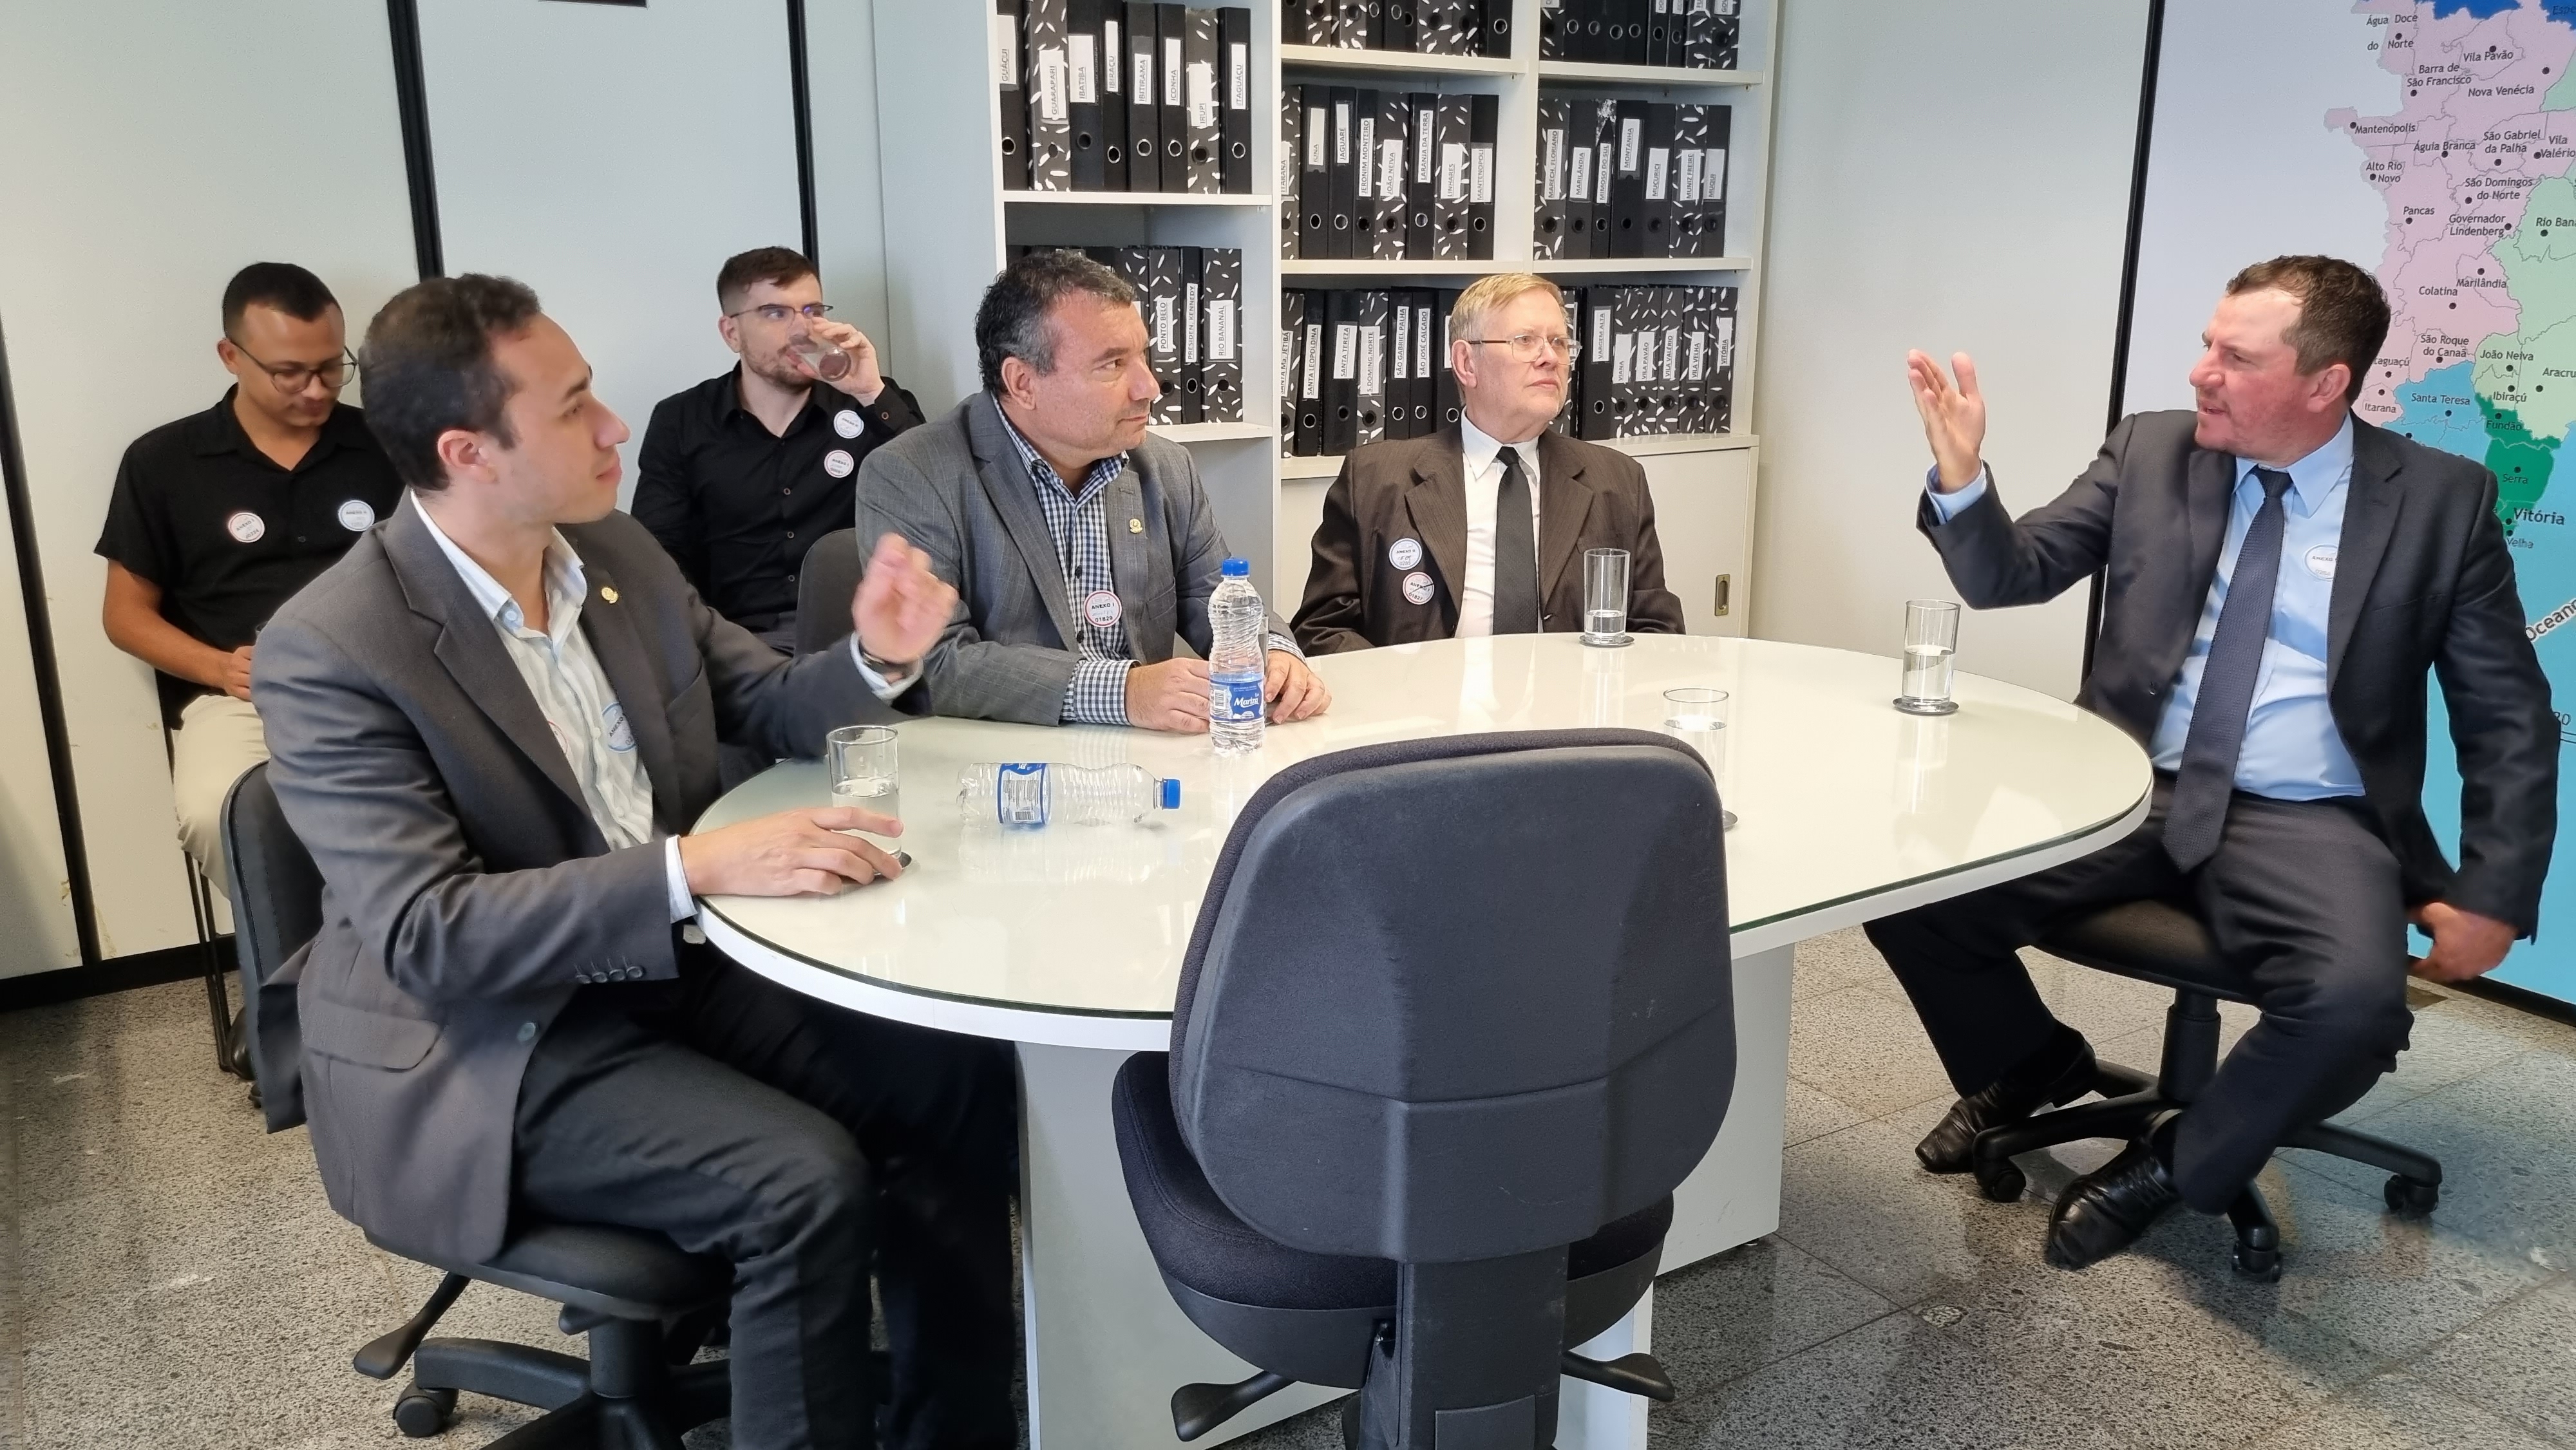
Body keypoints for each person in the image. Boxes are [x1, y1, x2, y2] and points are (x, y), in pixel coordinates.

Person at [253, 274, 1016, 1450]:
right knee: (800, 1185)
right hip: (483, 1037)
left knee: (952, 1077)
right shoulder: (333, 645)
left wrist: (875, 656)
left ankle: (951, 1434)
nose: (614, 426)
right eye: (573, 407)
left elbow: (766, 702)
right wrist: (691, 868)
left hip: (663, 965)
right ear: (468, 452)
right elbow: (428, 934)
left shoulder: (615, 555)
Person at [1871, 255, 2556, 1270]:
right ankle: (2030, 1062)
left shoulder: (2440, 502)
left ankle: (2175, 1164)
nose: (2202, 373)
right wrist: (1964, 479)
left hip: (2311, 816)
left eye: (2237, 358)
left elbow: (2507, 714)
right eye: (2206, 346)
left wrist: (2495, 891)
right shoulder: (2151, 451)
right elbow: (2012, 574)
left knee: (2355, 1008)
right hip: (2129, 787)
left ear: (2325, 382)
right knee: (1902, 890)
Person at [856, 250, 1329, 730]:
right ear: (1023, 383)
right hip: (1004, 759)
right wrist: (1121, 692)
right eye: (1113, 364)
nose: (1150, 386)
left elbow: (1216, 597)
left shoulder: (1166, 466)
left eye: (1143, 356)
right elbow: (935, 662)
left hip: (1150, 758)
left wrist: (1275, 656)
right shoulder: (913, 473)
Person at [94, 261, 402, 895]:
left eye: (331, 367)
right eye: (290, 372)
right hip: (239, 697)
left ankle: (408, 940)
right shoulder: (163, 461)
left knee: (474, 793)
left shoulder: (391, 444)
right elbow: (125, 616)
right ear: (231, 356)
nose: (316, 390)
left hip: (388, 683)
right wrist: (220, 668)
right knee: (219, 811)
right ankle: (302, 952)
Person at [1292, 272, 1685, 652]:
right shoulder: (1375, 479)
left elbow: (1659, 632)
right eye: (1525, 341)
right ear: (1467, 362)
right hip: (1425, 696)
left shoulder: (1617, 481)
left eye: (1560, 343)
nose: (1550, 358)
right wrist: (1402, 689)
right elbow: (1322, 631)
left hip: (1571, 695)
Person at [632, 246, 923, 652]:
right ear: (731, 333)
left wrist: (871, 392)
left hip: (857, 640)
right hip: (737, 644)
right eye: (776, 313)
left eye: (812, 311)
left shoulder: (870, 401)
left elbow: (934, 496)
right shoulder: (681, 421)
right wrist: (703, 644)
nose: (802, 330)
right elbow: (658, 554)